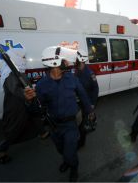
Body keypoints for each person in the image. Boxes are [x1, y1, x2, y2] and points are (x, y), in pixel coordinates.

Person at [24, 46, 94, 182]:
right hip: (54, 126)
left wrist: (90, 111)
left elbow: (83, 96)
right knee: (61, 149)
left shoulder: (72, 78)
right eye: (64, 60)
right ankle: (67, 161)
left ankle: (74, 167)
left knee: (70, 151)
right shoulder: (41, 85)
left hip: (71, 125)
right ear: (54, 63)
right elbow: (36, 111)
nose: (67, 62)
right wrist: (30, 101)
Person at [0, 48, 43, 163]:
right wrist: (27, 94)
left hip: (24, 107)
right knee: (13, 132)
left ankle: (42, 133)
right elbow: (16, 90)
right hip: (16, 109)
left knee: (34, 120)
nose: (24, 59)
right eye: (22, 57)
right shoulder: (10, 74)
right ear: (16, 58)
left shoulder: (17, 72)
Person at [74, 50, 99, 148]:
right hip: (78, 102)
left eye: (75, 59)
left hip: (86, 102)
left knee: (82, 124)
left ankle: (81, 142)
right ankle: (92, 120)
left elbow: (95, 89)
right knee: (80, 121)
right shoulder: (76, 70)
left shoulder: (89, 73)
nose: (74, 61)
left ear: (81, 60)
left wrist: (92, 103)